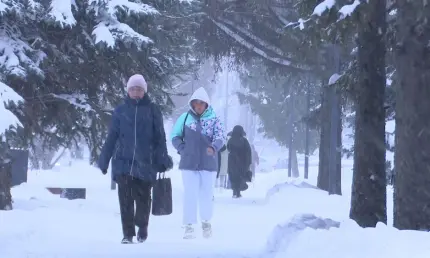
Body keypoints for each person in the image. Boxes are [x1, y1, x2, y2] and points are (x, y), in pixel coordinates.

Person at [98, 74, 173, 244]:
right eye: (132, 89)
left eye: (139, 89)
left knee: (144, 199)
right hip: (123, 163)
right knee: (125, 200)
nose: (136, 92)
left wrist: (162, 159)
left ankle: (143, 226)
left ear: (144, 91)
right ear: (128, 91)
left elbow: (160, 137)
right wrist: (104, 161)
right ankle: (128, 234)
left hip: (146, 163)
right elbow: (112, 137)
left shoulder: (153, 110)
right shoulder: (120, 111)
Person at [171, 87, 225, 239]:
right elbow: (175, 136)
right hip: (189, 163)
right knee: (190, 194)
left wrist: (214, 147)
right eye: (196, 103)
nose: (199, 106)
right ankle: (189, 226)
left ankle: (206, 222)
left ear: (206, 104)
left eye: (202, 103)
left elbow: (221, 137)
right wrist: (182, 149)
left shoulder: (214, 119)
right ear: (192, 104)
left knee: (207, 194)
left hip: (208, 164)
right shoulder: (185, 118)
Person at [227, 125, 252, 198]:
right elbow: (248, 152)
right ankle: (238, 192)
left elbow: (228, 148)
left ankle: (235, 191)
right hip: (242, 162)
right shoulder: (244, 141)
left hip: (232, 162)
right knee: (240, 177)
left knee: (233, 177)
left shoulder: (231, 140)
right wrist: (248, 163)